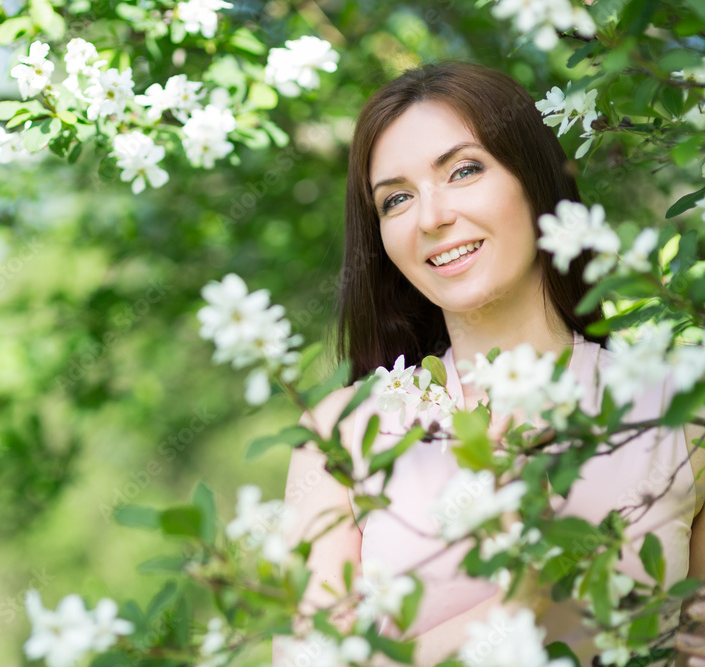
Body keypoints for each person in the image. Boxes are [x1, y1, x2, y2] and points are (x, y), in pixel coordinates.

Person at [276, 61, 705, 667]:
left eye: (464, 170)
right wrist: (513, 602)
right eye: (396, 199)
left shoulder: (681, 409)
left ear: (535, 178)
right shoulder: (340, 434)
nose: (431, 218)